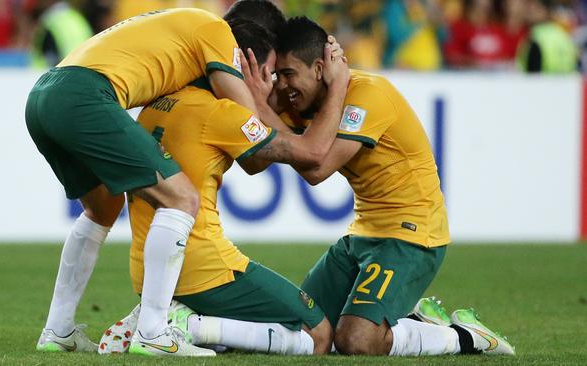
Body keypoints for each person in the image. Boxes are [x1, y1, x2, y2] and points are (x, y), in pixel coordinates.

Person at [98, 17, 350, 356]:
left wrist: (258, 105)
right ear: (246, 66)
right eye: (270, 73)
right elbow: (315, 153)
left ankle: (172, 321)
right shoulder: (219, 114)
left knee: (247, 334)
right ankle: (189, 324)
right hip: (204, 269)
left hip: (150, 272)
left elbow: (253, 162)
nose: (274, 84)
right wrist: (337, 87)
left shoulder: (159, 103)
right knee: (317, 333)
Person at [26, 7, 267, 357]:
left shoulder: (176, 21)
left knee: (103, 207)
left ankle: (58, 330)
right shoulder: (217, 29)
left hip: (43, 94)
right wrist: (258, 91)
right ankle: (154, 332)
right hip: (85, 94)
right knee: (182, 198)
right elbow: (250, 124)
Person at [270, 16, 515, 356]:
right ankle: (417, 319)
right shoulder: (303, 102)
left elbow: (317, 169)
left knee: (356, 341)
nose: (282, 85)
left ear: (318, 68)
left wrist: (337, 86)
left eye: (288, 74)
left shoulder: (368, 95)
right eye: (276, 75)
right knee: (304, 330)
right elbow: (258, 121)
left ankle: (462, 336)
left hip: (412, 235)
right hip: (362, 234)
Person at [516, 0, 577, 73]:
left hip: (541, 83)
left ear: (546, 11)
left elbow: (532, 77)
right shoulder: (562, 34)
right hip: (567, 83)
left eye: (536, 8)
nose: (530, 11)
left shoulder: (536, 37)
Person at [29, 0, 94, 68]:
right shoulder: (77, 18)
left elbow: (50, 57)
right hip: (81, 71)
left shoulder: (51, 21)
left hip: (53, 75)